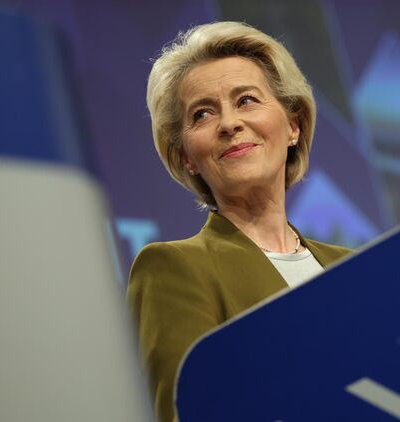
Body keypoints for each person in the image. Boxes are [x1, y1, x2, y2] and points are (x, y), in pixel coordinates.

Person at [127, 21, 353, 421]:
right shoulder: (172, 269)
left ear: (293, 126)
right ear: (186, 158)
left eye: (246, 100)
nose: (229, 124)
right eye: (202, 114)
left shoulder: (354, 268)